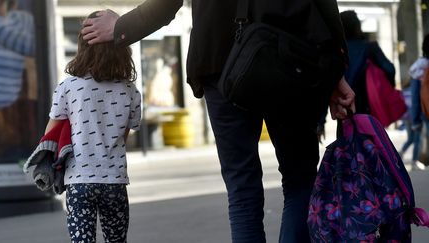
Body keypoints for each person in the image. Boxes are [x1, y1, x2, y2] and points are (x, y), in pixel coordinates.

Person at [81, 1, 355, 242]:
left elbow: (166, 4)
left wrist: (122, 26)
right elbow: (323, 6)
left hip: (220, 62)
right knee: (300, 181)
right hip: (292, 56)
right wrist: (336, 70)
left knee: (242, 189)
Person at [45, 11, 141, 242]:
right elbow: (123, 135)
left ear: (82, 46)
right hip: (114, 181)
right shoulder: (130, 90)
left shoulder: (68, 87)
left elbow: (50, 134)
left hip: (79, 180)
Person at [339, 10, 395, 115]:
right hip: (369, 106)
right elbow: (389, 69)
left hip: (344, 108)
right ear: (357, 27)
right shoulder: (370, 48)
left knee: (348, 131)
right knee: (370, 131)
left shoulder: (337, 51)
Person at [406, 33, 429, 170]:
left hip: (425, 111)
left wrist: (415, 120)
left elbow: (415, 96)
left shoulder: (419, 67)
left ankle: (417, 161)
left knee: (419, 138)